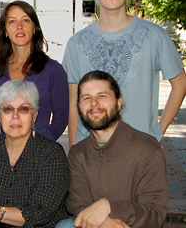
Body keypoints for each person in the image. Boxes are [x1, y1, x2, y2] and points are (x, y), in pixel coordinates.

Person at [62, 0, 186, 147]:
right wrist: (74, 151)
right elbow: (73, 102)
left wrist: (158, 131)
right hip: (91, 149)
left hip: (140, 149)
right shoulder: (76, 43)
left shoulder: (154, 36)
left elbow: (180, 83)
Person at [57, 70, 168, 227]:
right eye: (86, 98)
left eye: (102, 96)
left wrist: (109, 207)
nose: (94, 103)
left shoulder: (147, 149)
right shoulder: (78, 153)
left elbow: (155, 213)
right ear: (79, 108)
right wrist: (105, 224)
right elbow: (77, 202)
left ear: (118, 102)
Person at [0, 80, 69, 228]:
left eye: (23, 109)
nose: (15, 116)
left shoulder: (51, 154)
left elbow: (40, 213)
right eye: (8, 109)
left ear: (35, 115)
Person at [0, 0, 68, 141]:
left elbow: (61, 117)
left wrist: (43, 143)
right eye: (12, 21)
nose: (19, 26)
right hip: (6, 152)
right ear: (5, 31)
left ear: (34, 28)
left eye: (25, 20)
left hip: (42, 153)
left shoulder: (53, 70)